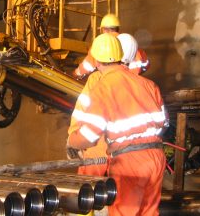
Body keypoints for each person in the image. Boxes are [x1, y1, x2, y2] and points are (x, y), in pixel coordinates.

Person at [67, 33, 167, 216]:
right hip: (156, 157)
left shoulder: (103, 87)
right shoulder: (148, 85)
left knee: (123, 212)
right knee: (149, 213)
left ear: (96, 60)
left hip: (130, 163)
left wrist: (73, 142)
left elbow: (89, 136)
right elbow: (164, 122)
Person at [67, 32, 141, 177]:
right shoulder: (140, 84)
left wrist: (73, 139)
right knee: (120, 194)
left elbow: (81, 111)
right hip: (128, 154)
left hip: (97, 146)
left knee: (88, 191)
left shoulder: (97, 80)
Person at [73, 13, 120, 79]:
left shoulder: (101, 42)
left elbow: (89, 64)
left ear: (104, 29)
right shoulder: (127, 40)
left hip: (109, 80)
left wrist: (77, 73)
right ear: (117, 28)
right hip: (127, 79)